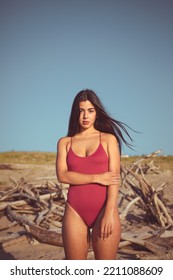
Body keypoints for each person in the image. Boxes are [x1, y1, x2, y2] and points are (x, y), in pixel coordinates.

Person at [56, 89, 132, 260]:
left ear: (96, 113)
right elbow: (62, 176)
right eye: (81, 110)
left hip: (104, 209)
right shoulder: (65, 143)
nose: (85, 116)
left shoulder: (108, 139)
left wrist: (109, 213)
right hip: (74, 211)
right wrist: (97, 177)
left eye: (90, 111)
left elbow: (113, 180)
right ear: (75, 113)